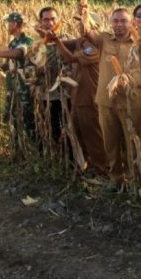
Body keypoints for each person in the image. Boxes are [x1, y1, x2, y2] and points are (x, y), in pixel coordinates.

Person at [79, 5, 141, 190]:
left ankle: (135, 180)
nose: (119, 24)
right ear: (110, 23)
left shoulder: (140, 43)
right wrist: (83, 12)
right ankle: (116, 179)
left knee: (133, 143)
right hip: (107, 102)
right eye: (116, 21)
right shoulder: (104, 40)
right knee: (111, 143)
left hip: (133, 102)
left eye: (124, 20)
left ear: (132, 23)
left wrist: (128, 79)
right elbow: (86, 31)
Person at [55, 22, 107, 176]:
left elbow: (71, 58)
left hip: (89, 98)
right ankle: (87, 164)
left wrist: (56, 41)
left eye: (86, 25)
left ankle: (102, 169)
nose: (82, 27)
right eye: (80, 24)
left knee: (93, 135)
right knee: (78, 132)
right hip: (77, 98)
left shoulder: (94, 49)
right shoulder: (80, 41)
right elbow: (63, 44)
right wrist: (50, 37)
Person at [0, 12, 35, 143]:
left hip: (24, 87)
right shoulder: (13, 43)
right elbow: (10, 64)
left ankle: (35, 146)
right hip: (12, 87)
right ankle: (16, 145)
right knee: (12, 116)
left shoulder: (28, 41)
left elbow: (18, 54)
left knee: (28, 117)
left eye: (9, 23)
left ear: (15, 24)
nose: (7, 26)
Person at [32, 7, 73, 152]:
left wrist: (64, 71)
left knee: (68, 128)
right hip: (45, 93)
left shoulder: (68, 39)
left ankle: (70, 157)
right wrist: (37, 71)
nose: (50, 22)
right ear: (40, 22)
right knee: (51, 126)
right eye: (46, 19)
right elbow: (29, 68)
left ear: (59, 20)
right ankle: (53, 156)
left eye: (53, 19)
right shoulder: (36, 44)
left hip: (65, 93)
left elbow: (74, 62)